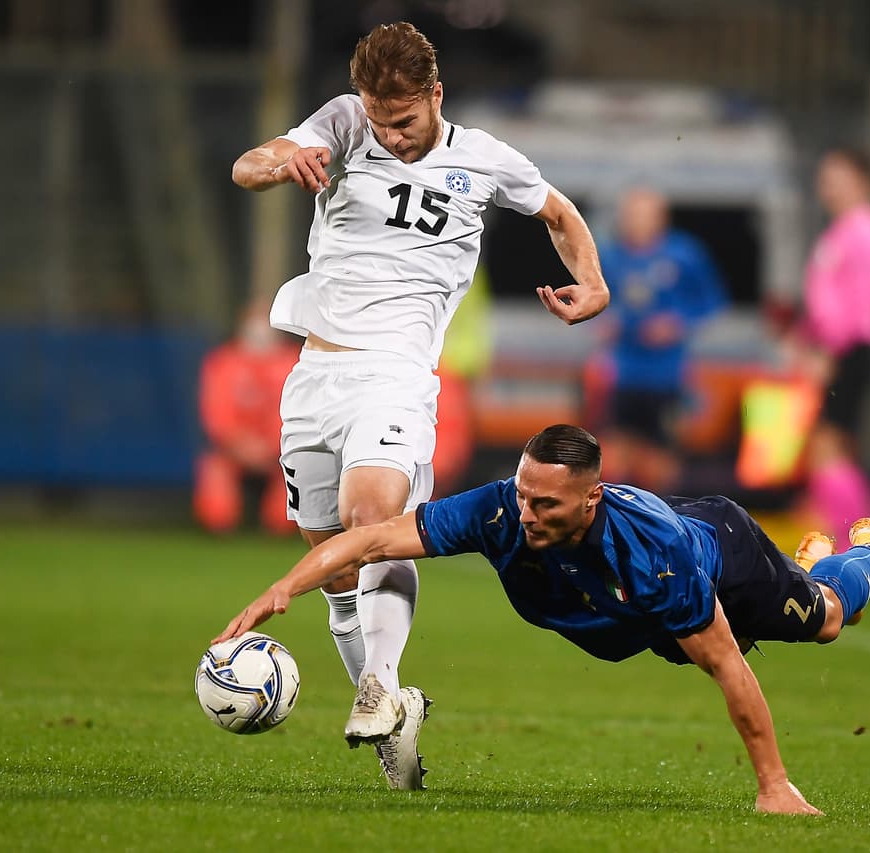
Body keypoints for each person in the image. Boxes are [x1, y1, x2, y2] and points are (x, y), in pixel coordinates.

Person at [229, 22, 609, 789]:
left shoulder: (485, 159)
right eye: (379, 120)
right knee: (331, 562)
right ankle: (392, 716)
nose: (391, 136)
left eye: (403, 120)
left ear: (436, 95)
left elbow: (559, 215)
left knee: (373, 519)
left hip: (396, 373)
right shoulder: (344, 123)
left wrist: (594, 284)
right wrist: (282, 162)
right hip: (315, 373)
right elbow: (248, 165)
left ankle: (378, 684)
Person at [214, 424, 870, 813]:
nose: (527, 513)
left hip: (722, 555)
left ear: (591, 499)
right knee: (720, 626)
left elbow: (728, 667)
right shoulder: (499, 511)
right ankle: (819, 561)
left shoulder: (655, 558)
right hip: (638, 608)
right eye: (524, 494)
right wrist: (283, 587)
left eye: (546, 503)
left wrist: (773, 784)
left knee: (825, 618)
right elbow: (373, 539)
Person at [788, 147, 870, 548]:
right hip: (837, 349)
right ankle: (865, 542)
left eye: (838, 178)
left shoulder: (865, 230)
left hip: (848, 350)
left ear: (863, 181)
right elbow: (825, 299)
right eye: (825, 178)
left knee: (827, 449)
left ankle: (868, 544)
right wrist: (804, 338)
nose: (828, 186)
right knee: (832, 450)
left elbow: (859, 303)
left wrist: (829, 351)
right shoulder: (842, 230)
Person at [593, 186, 727, 494]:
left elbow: (711, 302)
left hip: (667, 373)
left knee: (662, 454)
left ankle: (663, 510)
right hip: (624, 372)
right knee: (617, 448)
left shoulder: (684, 254)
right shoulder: (610, 256)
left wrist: (677, 324)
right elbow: (595, 302)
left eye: (645, 215)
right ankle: (620, 511)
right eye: (632, 215)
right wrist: (602, 321)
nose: (637, 222)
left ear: (661, 218)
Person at [193, 299, 300, 536]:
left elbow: (297, 412)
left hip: (281, 449)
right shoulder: (222, 361)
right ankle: (220, 530)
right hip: (233, 450)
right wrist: (240, 444)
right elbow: (216, 412)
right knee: (215, 471)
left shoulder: (294, 362)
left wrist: (272, 446)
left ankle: (280, 531)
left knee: (301, 467)